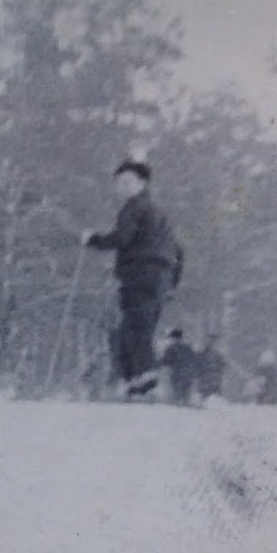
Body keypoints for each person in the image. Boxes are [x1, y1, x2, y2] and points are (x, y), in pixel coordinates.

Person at [82, 157, 185, 398]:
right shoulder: (162, 215)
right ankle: (138, 381)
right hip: (161, 278)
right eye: (120, 183)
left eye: (129, 182)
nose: (123, 187)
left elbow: (122, 238)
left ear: (142, 183)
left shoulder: (133, 208)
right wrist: (172, 283)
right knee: (142, 327)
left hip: (139, 274)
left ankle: (142, 377)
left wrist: (93, 240)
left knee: (133, 327)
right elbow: (178, 251)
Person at [159, 328, 198, 406]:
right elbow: (194, 360)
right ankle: (186, 407)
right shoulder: (188, 347)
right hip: (188, 375)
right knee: (186, 396)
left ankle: (178, 409)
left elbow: (166, 361)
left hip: (177, 374)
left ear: (173, 338)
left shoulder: (171, 348)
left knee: (176, 396)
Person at [196, 333, 226, 401]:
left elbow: (222, 364)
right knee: (205, 391)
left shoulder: (218, 353)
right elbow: (198, 361)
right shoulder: (203, 351)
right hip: (205, 375)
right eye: (211, 340)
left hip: (213, 375)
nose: (212, 342)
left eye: (214, 340)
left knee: (214, 391)